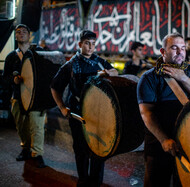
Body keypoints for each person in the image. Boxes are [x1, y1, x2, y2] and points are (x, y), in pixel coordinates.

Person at [137, 32, 190, 187]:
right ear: (163, 52)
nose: (180, 52)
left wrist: (183, 78)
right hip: (160, 146)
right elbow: (147, 113)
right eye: (174, 48)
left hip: (189, 143)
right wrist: (164, 139)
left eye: (183, 48)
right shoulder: (149, 78)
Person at [50, 30, 118, 187]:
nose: (90, 47)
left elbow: (115, 71)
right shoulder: (71, 65)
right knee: (81, 148)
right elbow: (54, 87)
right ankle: (83, 180)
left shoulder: (99, 62)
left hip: (99, 113)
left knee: (99, 147)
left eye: (93, 44)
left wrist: (108, 72)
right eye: (87, 43)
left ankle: (96, 181)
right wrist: (62, 107)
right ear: (80, 44)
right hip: (78, 113)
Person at [2, 24, 47, 168]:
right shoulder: (11, 57)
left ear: (29, 35)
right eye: (18, 32)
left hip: (36, 98)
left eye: (24, 32)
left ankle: (37, 154)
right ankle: (25, 149)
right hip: (17, 97)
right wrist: (13, 80)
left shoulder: (38, 52)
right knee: (21, 127)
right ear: (16, 37)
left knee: (37, 127)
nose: (21, 34)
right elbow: (5, 78)